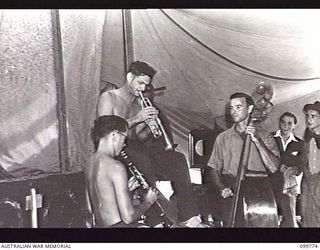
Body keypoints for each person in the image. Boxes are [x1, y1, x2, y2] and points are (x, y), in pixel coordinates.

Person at [97, 61, 206, 227]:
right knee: (143, 160)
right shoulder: (109, 98)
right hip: (116, 152)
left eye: (145, 85)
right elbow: (105, 130)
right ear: (129, 77)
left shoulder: (138, 103)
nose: (142, 89)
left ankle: (188, 216)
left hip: (137, 149)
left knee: (177, 159)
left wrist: (148, 127)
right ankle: (156, 220)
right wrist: (138, 118)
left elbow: (136, 137)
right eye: (140, 83)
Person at [207, 92, 280, 227]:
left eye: (238, 107)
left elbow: (274, 167)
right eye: (231, 108)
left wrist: (257, 140)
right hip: (231, 190)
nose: (234, 111)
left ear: (250, 109)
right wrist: (221, 188)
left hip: (259, 190)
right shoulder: (222, 138)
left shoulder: (265, 135)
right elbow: (213, 168)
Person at [85, 115, 158, 228]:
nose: (124, 144)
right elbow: (128, 218)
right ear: (114, 135)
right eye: (124, 139)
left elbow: (91, 208)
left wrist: (127, 190)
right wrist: (149, 201)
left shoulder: (89, 164)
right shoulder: (116, 167)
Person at [271, 112, 306, 227]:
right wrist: (277, 166)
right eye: (283, 123)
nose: (285, 126)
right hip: (270, 185)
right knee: (270, 220)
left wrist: (295, 170)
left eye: (289, 123)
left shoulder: (300, 143)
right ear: (279, 123)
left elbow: (302, 164)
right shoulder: (270, 138)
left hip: (288, 188)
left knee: (289, 221)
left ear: (294, 125)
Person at [300, 101, 320, 227]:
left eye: (313, 116)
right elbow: (304, 160)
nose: (309, 119)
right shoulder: (307, 136)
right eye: (307, 116)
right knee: (307, 218)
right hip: (308, 182)